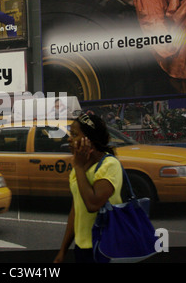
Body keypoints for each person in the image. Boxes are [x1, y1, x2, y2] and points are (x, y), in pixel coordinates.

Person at [54, 113, 123, 263]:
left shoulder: (109, 165)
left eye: (74, 134)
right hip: (82, 248)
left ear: (89, 140)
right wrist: (63, 251)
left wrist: (78, 166)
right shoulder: (78, 169)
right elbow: (76, 210)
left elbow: (92, 204)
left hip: (105, 247)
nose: (69, 139)